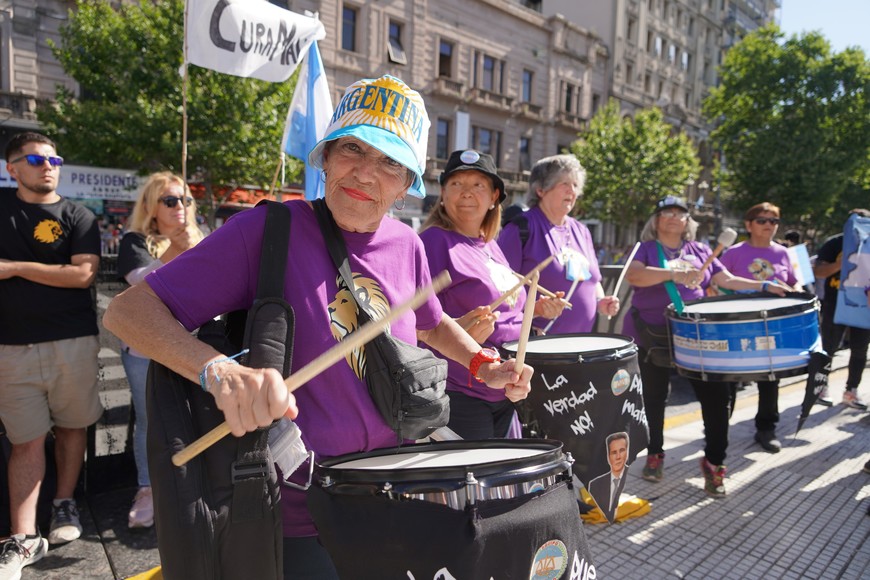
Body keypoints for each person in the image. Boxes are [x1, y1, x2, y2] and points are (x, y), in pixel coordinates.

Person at [103, 75, 532, 578]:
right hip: (302, 507)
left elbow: (431, 323)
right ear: (325, 156)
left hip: (398, 489)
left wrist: (484, 364)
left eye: (390, 162)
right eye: (352, 147)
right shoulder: (268, 230)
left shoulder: (408, 244)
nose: (366, 173)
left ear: (407, 184)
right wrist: (218, 371)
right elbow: (127, 313)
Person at [623, 196, 785, 498]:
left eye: (680, 213)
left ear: (688, 221)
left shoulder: (700, 250)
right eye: (666, 212)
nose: (673, 217)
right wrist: (675, 274)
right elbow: (635, 276)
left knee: (717, 398)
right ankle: (655, 453)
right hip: (652, 335)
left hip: (698, 335)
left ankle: (714, 462)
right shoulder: (645, 249)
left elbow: (726, 278)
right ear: (656, 220)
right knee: (654, 399)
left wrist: (763, 285)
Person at [0, 132, 103, 576]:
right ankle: (23, 538)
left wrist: (14, 269)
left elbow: (82, 274)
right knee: (23, 442)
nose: (48, 165)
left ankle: (64, 505)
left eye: (55, 158)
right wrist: (50, 273)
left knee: (72, 427)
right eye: (37, 159)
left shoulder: (78, 214)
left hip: (72, 341)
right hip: (10, 346)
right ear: (12, 168)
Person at [419, 149, 565, 439]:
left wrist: (535, 309)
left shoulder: (490, 245)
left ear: (494, 196)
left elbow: (507, 310)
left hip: (504, 389)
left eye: (478, 185)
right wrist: (459, 328)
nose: (467, 193)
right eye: (457, 184)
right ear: (443, 193)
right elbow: (418, 324)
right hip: (462, 392)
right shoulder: (433, 241)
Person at [116, 172, 204, 528]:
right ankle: (147, 488)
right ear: (152, 206)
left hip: (191, 344)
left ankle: (191, 486)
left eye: (185, 200)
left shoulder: (204, 239)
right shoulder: (134, 240)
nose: (180, 207)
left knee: (195, 415)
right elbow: (139, 285)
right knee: (148, 418)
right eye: (170, 200)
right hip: (144, 349)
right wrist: (175, 250)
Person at [498, 154, 618, 335]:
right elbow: (500, 291)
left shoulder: (582, 230)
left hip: (580, 347)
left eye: (575, 185)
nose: (572, 191)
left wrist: (601, 302)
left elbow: (593, 281)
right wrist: (534, 311)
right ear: (541, 190)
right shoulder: (520, 229)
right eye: (565, 184)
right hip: (537, 348)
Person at [719, 202, 799, 453]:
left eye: (773, 221)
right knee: (728, 380)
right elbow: (719, 282)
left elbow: (796, 284)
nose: (769, 226)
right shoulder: (732, 252)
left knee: (770, 379)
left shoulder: (785, 253)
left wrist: (795, 292)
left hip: (771, 327)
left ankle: (766, 428)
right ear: (748, 225)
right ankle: (719, 428)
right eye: (762, 220)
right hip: (736, 326)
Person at [812, 209, 870, 410]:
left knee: (860, 350)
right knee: (828, 348)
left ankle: (851, 390)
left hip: (863, 306)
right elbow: (818, 271)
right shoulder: (834, 243)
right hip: (834, 304)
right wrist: (839, 263)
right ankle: (820, 388)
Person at [586, 432, 629, 522]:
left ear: (627, 452)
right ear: (608, 456)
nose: (618, 457)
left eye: (621, 450)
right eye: (614, 452)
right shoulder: (594, 485)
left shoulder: (625, 476)